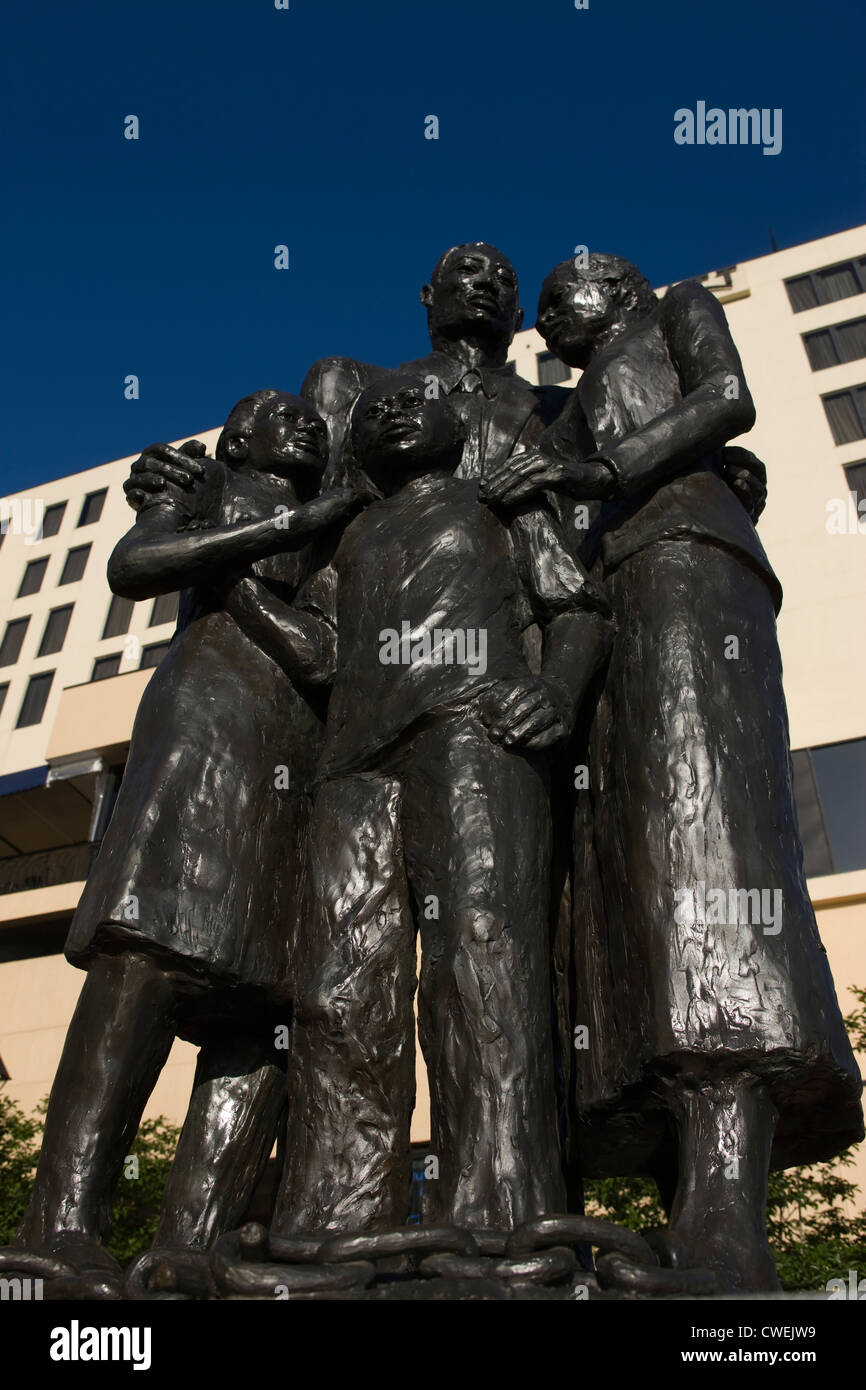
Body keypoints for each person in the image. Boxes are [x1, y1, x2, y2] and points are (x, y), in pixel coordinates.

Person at [482, 254, 864, 1290]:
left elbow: (724, 397)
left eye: (570, 289)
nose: (551, 309)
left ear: (624, 288)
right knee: (627, 890)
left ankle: (724, 1224)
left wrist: (602, 475)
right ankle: (685, 1210)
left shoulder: (676, 313)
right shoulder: (561, 416)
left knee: (707, 850)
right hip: (604, 616)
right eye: (544, 302)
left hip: (688, 569)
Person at [15, 391, 356, 1280]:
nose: (307, 423)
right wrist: (255, 543)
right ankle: (59, 1226)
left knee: (266, 1007)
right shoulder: (202, 491)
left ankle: (192, 1246)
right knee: (145, 961)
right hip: (201, 727)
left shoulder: (333, 532)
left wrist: (241, 578)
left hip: (296, 760)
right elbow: (139, 565)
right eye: (284, 413)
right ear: (240, 437)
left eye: (313, 420)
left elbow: (326, 656)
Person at [268, 376, 613, 1235]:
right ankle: (333, 1222)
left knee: (481, 964)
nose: (390, 408)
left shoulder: (495, 500)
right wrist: (232, 578)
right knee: (339, 989)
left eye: (412, 403)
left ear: (456, 428)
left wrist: (559, 694)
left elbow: (575, 607)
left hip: (469, 728)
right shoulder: (343, 536)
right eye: (375, 410)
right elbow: (318, 655)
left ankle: (499, 1214)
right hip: (354, 761)